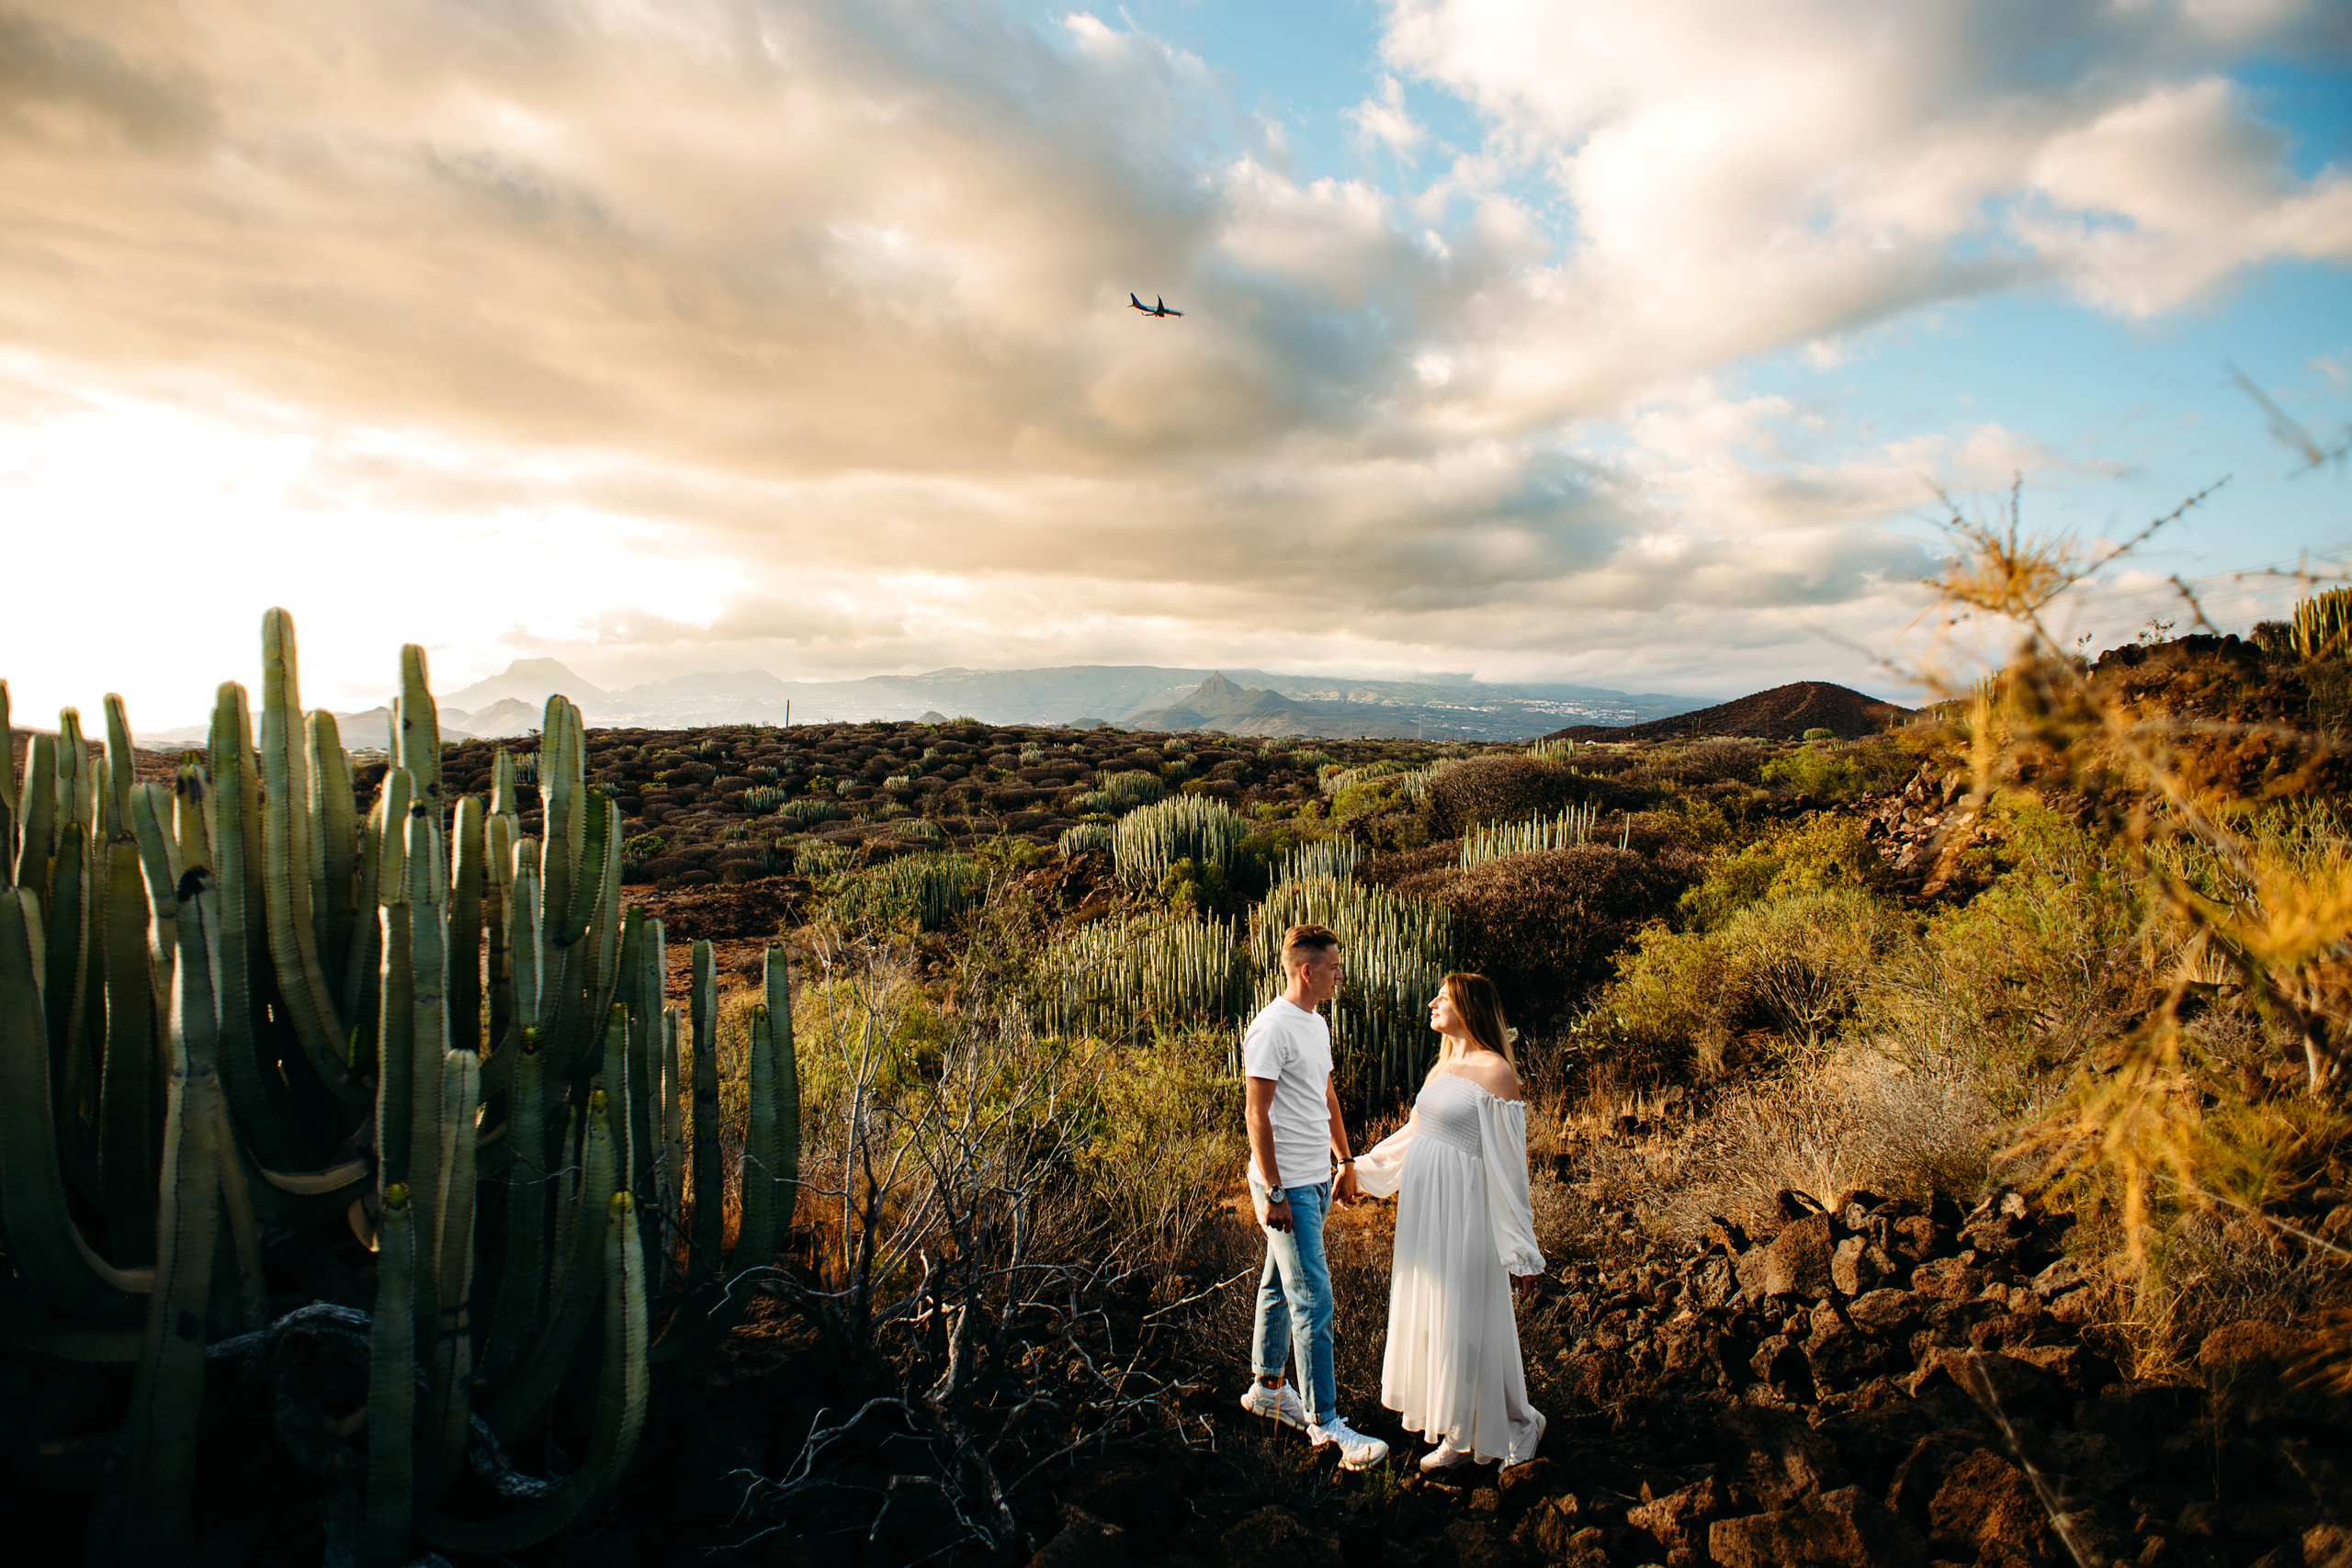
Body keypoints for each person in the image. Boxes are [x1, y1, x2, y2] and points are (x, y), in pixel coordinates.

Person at [1353, 972, 1546, 1471]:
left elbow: (1510, 1170)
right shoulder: (1444, 1068)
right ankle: (1460, 1433)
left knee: (1470, 1316)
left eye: (1444, 996)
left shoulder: (1495, 1072)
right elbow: (1412, 1136)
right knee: (1440, 1318)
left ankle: (1519, 1423)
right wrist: (1360, 1171)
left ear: (1470, 1006)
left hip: (1465, 1214)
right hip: (1427, 1213)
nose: (1434, 1003)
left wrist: (1520, 1251)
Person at [1237, 924, 1392, 1471]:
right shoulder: (1270, 1028)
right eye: (1333, 967)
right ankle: (1325, 1425)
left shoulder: (1316, 1023)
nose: (1339, 975)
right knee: (1314, 1299)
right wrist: (1275, 1190)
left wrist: (1345, 1162)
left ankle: (1267, 1389)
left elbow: (1325, 1095)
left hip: (1316, 1181)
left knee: (1280, 1284)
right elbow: (1256, 1114)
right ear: (1307, 970)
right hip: (1288, 1187)